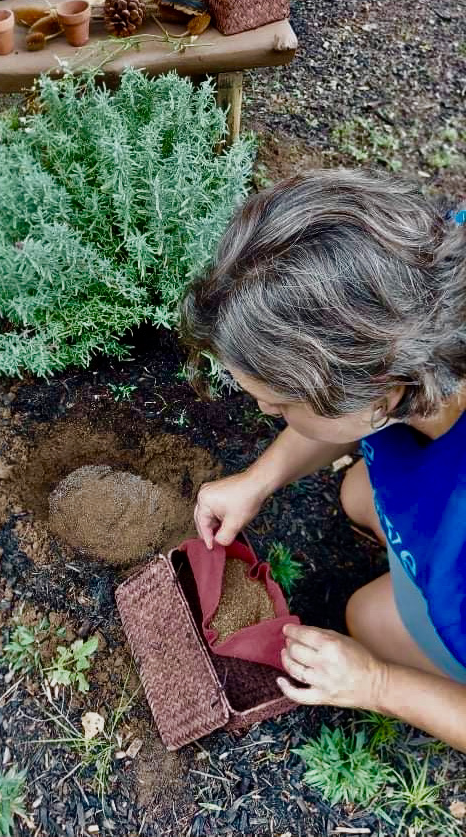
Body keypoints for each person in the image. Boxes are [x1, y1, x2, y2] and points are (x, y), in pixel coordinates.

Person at [180, 170, 466, 752]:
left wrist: (376, 682)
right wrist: (260, 480)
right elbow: (355, 415)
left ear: (384, 392)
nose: (263, 410)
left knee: (368, 619)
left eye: (281, 402)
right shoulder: (430, 278)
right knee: (358, 495)